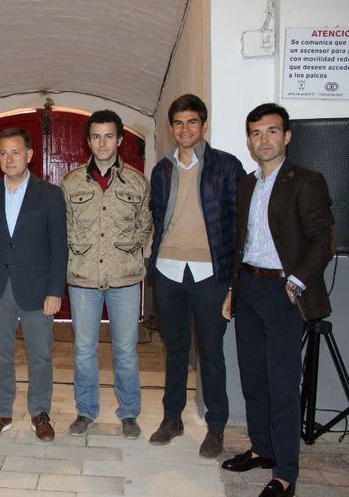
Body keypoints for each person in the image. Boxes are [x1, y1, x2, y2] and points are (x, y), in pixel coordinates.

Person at [221, 104, 333, 497]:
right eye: (255, 133)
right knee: (253, 376)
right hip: (249, 287)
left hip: (284, 292)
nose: (263, 139)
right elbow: (243, 243)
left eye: (271, 131)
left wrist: (298, 281)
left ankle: (286, 472)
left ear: (286, 137)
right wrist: (233, 290)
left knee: (282, 383)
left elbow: (324, 239)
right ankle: (262, 449)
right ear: (249, 140)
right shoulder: (248, 184)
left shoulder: (306, 180)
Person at [148, 94, 245, 457]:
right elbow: (159, 216)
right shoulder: (162, 170)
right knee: (173, 350)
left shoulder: (226, 166)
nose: (184, 129)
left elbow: (238, 227)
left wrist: (233, 282)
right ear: (171, 128)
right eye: (178, 123)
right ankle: (172, 418)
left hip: (210, 274)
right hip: (169, 270)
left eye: (192, 122)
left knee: (210, 352)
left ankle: (216, 426)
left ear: (204, 126)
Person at [0, 127, 67, 441]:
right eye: (3, 153)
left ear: (28, 155)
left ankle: (40, 413)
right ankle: (2, 413)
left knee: (40, 354)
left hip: (38, 290)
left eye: (15, 152)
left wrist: (55, 290)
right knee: (1, 354)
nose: (9, 159)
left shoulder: (49, 195)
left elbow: (58, 246)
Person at [61, 110, 151, 438]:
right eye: (96, 136)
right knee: (84, 350)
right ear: (88, 141)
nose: (102, 143)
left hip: (124, 278)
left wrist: (131, 245)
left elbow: (145, 222)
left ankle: (129, 413)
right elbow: (65, 226)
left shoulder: (137, 182)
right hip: (83, 278)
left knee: (125, 350)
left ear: (120, 140)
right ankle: (86, 411)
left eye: (109, 136)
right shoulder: (70, 183)